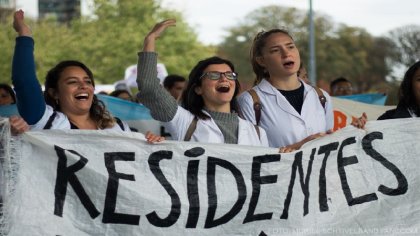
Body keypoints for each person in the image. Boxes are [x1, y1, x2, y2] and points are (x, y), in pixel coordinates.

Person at [11, 10, 162, 142]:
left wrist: (151, 145)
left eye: (88, 81)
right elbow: (24, 81)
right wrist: (25, 34)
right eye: (72, 82)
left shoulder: (117, 128)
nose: (83, 86)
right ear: (54, 92)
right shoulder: (46, 122)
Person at [136, 19, 271, 148]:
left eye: (229, 75)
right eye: (214, 75)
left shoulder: (258, 133)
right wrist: (150, 40)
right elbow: (149, 87)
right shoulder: (184, 121)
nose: (224, 79)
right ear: (198, 89)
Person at [237, 29, 334, 149]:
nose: (286, 53)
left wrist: (354, 130)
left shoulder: (321, 96)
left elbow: (331, 146)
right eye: (275, 50)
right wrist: (299, 146)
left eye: (290, 47)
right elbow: (249, 155)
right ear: (261, 61)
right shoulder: (249, 101)